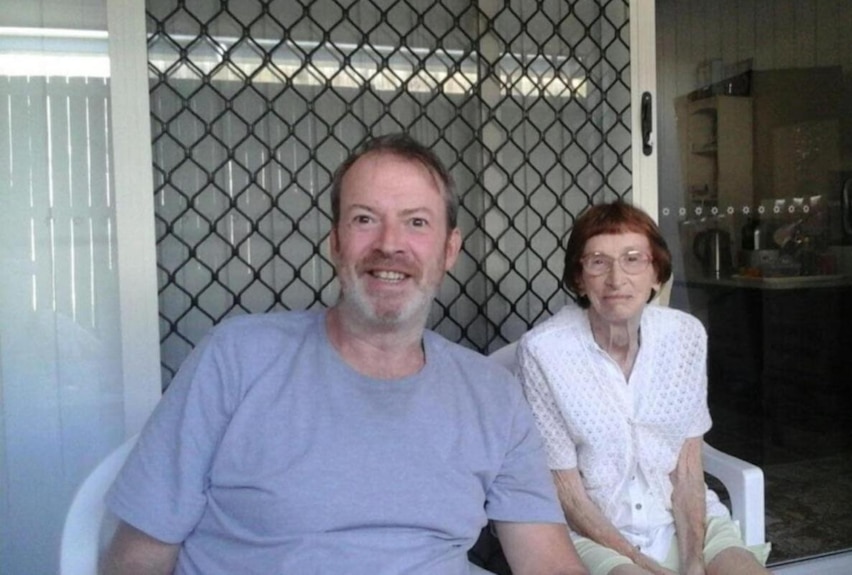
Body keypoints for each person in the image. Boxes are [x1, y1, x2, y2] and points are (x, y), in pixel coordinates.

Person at [102, 133, 587, 575]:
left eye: (416, 222)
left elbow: (547, 563)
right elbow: (137, 559)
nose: (390, 244)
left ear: (449, 250)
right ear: (335, 243)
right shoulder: (235, 360)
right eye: (364, 220)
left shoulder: (492, 395)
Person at [516, 201, 771, 575]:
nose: (616, 279)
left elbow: (687, 469)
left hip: (686, 523)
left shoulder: (685, 337)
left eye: (633, 259)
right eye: (598, 262)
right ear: (578, 278)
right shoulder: (544, 351)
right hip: (593, 533)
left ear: (656, 274)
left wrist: (693, 562)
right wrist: (643, 563)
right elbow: (567, 492)